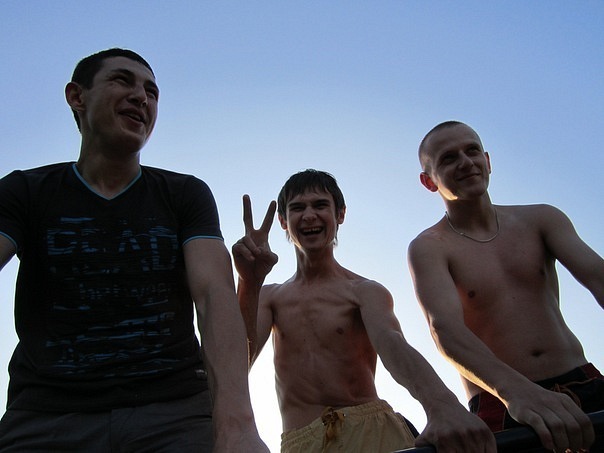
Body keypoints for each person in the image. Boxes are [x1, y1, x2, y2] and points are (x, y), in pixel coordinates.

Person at [0, 48, 268, 452]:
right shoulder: (24, 191)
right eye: (122, 81)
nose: (142, 97)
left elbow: (214, 296)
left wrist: (237, 427)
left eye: (152, 91)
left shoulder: (184, 195)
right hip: (45, 415)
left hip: (174, 415)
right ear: (77, 96)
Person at [232, 169, 495, 453]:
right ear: (284, 221)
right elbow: (234, 363)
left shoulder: (363, 291)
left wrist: (441, 405)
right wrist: (249, 282)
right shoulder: (270, 296)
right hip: (301, 442)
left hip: (371, 431)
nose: (309, 216)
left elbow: (394, 345)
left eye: (320, 205)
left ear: (340, 214)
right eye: (297, 208)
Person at [408, 120, 604, 453]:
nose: (466, 162)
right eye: (449, 158)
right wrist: (515, 392)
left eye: (472, 151)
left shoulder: (541, 219)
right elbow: (445, 330)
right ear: (429, 181)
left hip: (582, 383)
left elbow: (599, 277)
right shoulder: (430, 247)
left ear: (487, 161)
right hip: (503, 403)